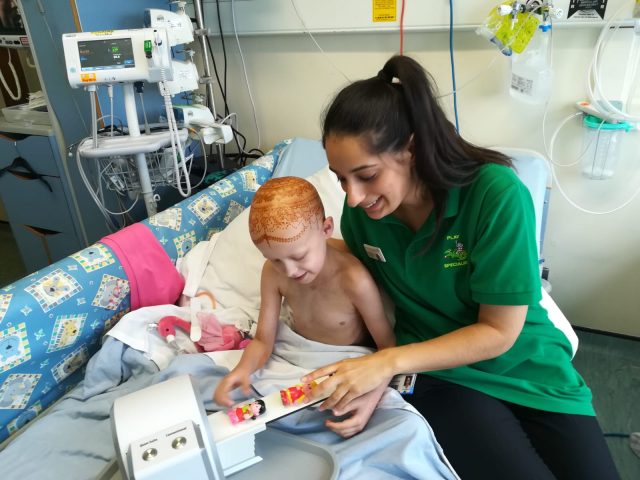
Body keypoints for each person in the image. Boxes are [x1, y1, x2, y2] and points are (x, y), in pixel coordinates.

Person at [302, 55, 619, 479]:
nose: (354, 196)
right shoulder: (363, 219)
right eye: (341, 179)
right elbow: (357, 281)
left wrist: (386, 364)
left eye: (366, 175)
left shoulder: (495, 195)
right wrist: (301, 255)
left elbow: (499, 331)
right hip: (441, 374)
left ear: (411, 147)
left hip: (527, 364)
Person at [213, 176, 395, 438]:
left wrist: (372, 395)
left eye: (299, 256)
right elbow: (264, 341)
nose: (289, 271)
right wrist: (242, 371)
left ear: (326, 228)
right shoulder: (273, 273)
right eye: (274, 260)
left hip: (341, 363)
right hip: (292, 358)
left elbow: (387, 349)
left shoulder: (353, 280)